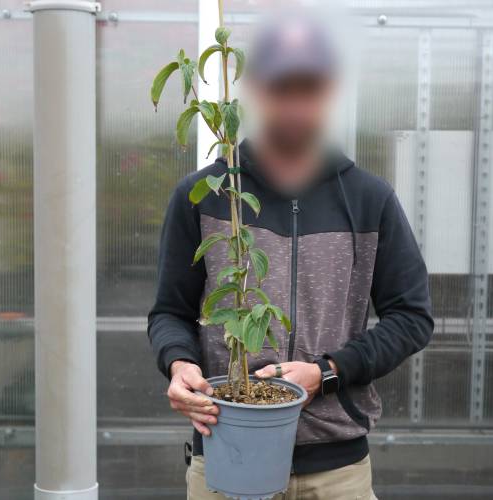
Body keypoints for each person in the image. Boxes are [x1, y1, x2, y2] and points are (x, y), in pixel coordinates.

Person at [147, 12, 433, 500]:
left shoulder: (369, 199)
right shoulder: (207, 195)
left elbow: (412, 317)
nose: (296, 105)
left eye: (310, 88)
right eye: (282, 88)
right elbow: (170, 313)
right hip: (224, 454)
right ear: (255, 90)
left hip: (338, 469)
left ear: (329, 92)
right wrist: (178, 364)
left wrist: (326, 372)